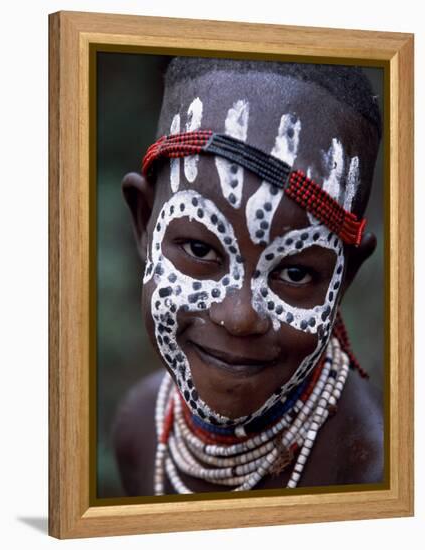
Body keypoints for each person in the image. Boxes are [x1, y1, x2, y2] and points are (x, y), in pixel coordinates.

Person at [112, 57, 383, 496]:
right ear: (145, 222)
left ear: (343, 277)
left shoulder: (380, 469)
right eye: (200, 250)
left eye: (295, 272)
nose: (240, 317)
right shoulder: (138, 429)